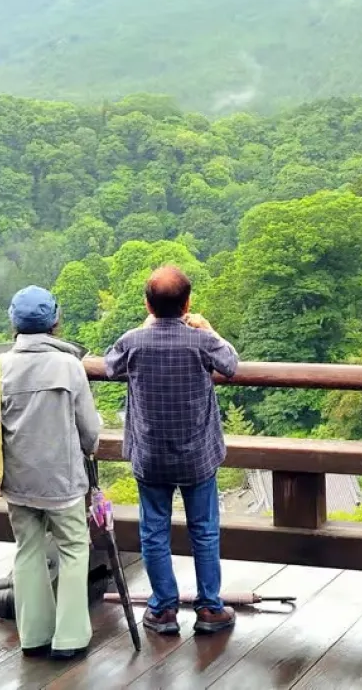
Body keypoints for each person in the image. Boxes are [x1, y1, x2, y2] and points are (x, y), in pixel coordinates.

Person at [104, 265, 239, 635]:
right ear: (188, 303)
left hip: (150, 455)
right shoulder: (201, 341)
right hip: (197, 454)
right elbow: (231, 365)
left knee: (154, 531)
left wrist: (144, 328)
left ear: (148, 305)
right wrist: (209, 328)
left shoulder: (133, 341)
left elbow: (109, 366)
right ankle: (210, 608)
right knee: (205, 530)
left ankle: (163, 609)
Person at [0, 285, 102, 660]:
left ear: (14, 324)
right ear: (54, 322)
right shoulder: (69, 365)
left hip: (17, 482)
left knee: (28, 552)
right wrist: (88, 451)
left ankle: (33, 636)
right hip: (62, 482)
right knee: (73, 549)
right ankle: (70, 638)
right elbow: (90, 430)